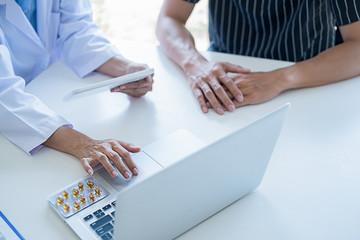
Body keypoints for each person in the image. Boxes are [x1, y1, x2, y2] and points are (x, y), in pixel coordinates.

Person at [0, 0, 154, 179]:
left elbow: (78, 30)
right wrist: (83, 144)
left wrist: (125, 70)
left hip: (49, 87)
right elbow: (4, 95)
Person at [156, 0, 360, 115]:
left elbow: (357, 45)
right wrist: (195, 64)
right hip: (225, 82)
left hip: (310, 82)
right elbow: (169, 18)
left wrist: (280, 79)